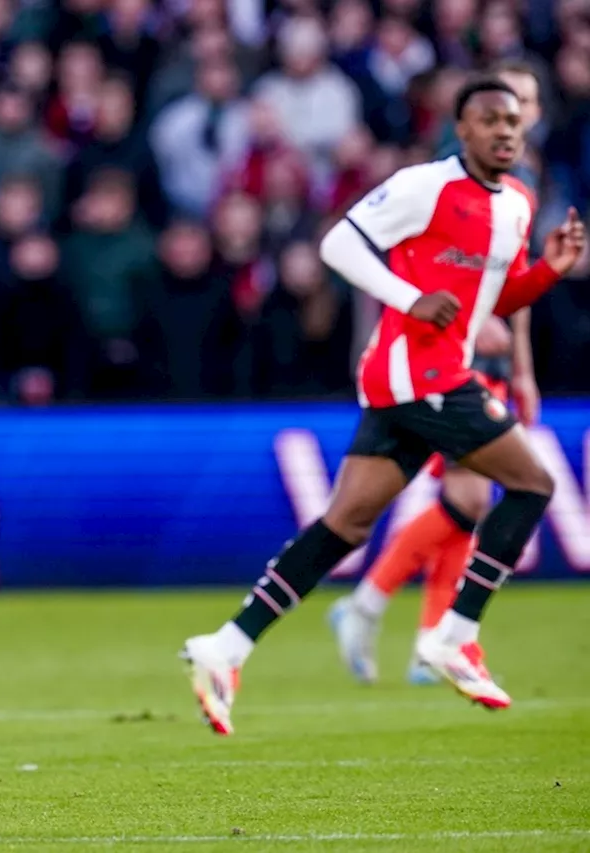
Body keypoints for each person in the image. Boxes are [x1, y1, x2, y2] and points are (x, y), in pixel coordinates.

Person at [179, 78, 585, 736]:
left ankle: (226, 646)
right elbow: (338, 243)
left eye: (513, 122)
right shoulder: (425, 184)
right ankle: (453, 635)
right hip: (414, 371)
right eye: (489, 120)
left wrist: (547, 271)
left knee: (346, 523)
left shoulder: (517, 204)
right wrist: (409, 297)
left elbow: (493, 304)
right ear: (462, 127)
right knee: (532, 483)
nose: (506, 131)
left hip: (428, 375)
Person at [328, 61, 547, 686]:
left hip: (488, 357)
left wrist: (522, 366)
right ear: (470, 121)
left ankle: (420, 629)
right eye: (508, 106)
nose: (519, 115)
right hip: (437, 356)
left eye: (526, 104)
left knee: (470, 501)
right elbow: (434, 270)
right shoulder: (447, 179)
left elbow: (513, 290)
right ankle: (394, 612)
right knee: (474, 495)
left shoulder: (520, 181)